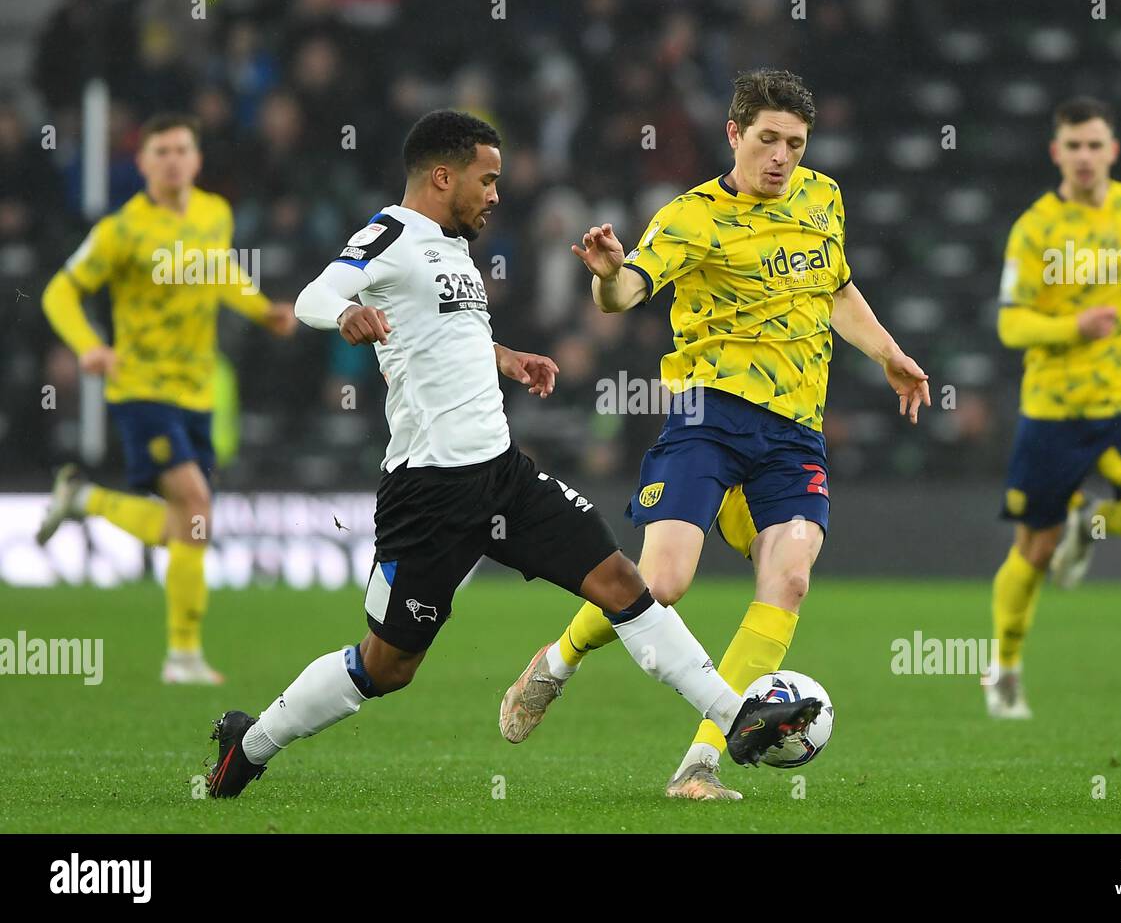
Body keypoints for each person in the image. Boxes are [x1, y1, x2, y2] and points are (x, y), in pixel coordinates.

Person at [206, 110, 821, 799]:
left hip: (503, 475)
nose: (496, 194)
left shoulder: (452, 244)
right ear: (443, 177)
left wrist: (504, 357)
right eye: (486, 179)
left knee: (622, 583)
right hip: (429, 493)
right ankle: (250, 744)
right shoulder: (393, 233)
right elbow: (317, 295)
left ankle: (737, 719)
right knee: (388, 666)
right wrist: (344, 315)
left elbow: (439, 330)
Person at [499, 69, 930, 800]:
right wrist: (607, 277)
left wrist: (888, 352)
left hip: (794, 434)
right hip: (710, 420)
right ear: (734, 134)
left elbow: (838, 288)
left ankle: (700, 763)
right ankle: (558, 660)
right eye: (767, 140)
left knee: (790, 577)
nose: (782, 158)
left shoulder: (823, 198)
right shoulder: (690, 217)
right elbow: (626, 290)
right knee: (662, 584)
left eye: (795, 143)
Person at [38, 113, 296, 684]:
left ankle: (85, 500)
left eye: (183, 149)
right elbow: (59, 291)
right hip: (140, 389)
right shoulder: (121, 231)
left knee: (187, 523)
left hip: (197, 392)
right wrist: (88, 346)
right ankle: (181, 658)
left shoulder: (214, 213)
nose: (174, 159)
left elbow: (220, 273)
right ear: (143, 162)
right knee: (197, 506)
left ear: (197, 160)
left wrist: (262, 309)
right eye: (162, 151)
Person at [985, 97, 1121, 719]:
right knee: (1033, 550)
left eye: (1094, 145)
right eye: (1072, 146)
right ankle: (1003, 669)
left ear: (1113, 150)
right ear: (1057, 152)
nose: (1084, 156)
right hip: (1055, 409)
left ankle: (1091, 522)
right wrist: (1072, 327)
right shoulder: (1035, 229)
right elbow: (1009, 326)